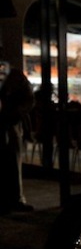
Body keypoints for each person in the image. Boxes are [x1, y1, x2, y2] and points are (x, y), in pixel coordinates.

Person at [0, 67, 35, 213]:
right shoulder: (15, 79)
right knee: (13, 163)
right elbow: (29, 100)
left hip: (9, 124)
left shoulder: (12, 79)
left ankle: (12, 199)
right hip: (11, 123)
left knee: (11, 162)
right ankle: (15, 199)